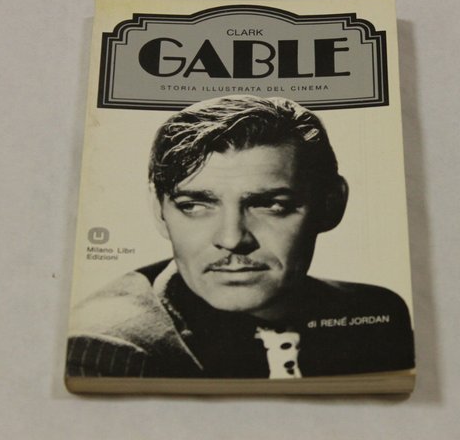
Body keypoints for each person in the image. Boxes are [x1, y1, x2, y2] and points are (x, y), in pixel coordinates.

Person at [66, 95, 414, 379]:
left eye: (271, 205)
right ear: (159, 211)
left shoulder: (376, 315)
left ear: (331, 205)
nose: (232, 240)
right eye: (195, 206)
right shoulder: (108, 350)